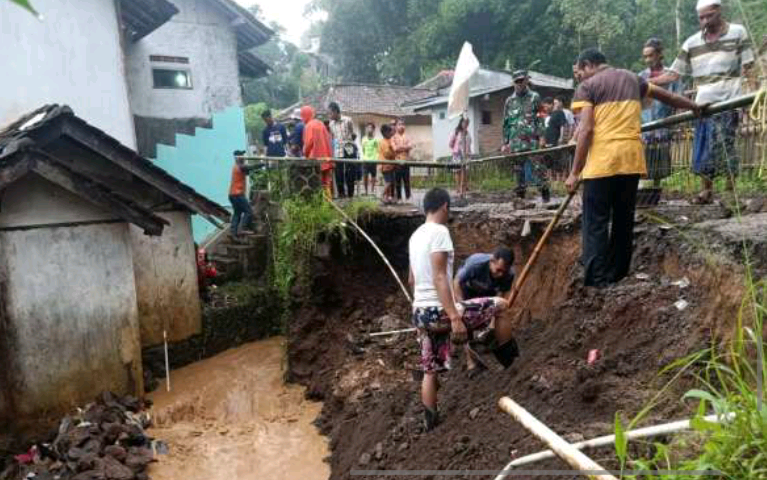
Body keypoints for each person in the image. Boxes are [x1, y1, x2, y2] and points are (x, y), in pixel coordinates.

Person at [565, 49, 702, 287]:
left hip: (602, 162)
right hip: (630, 160)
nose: (580, 77)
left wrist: (575, 172)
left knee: (596, 220)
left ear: (587, 65)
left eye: (580, 72)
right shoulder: (632, 78)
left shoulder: (587, 87)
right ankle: (617, 274)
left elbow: (585, 130)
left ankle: (597, 279)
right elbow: (665, 96)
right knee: (623, 219)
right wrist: (695, 106)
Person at [409, 188, 517, 430]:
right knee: (501, 305)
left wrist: (419, 316)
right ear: (445, 206)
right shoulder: (440, 232)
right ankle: (512, 366)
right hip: (439, 310)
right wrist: (455, 317)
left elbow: (412, 280)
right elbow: (440, 277)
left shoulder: (415, 236)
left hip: (421, 311)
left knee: (430, 369)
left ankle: (430, 421)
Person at [651, 0, 754, 203]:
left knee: (726, 146)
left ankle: (731, 193)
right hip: (702, 104)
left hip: (729, 101)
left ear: (719, 11)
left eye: (709, 16)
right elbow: (673, 74)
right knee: (703, 147)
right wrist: (644, 82)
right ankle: (706, 191)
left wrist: (749, 97)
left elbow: (748, 67)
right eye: (701, 17)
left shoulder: (738, 32)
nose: (705, 21)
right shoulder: (691, 42)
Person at [639, 38, 682, 185]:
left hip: (664, 123)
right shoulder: (641, 77)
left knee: (660, 162)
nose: (648, 60)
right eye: (645, 56)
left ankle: (656, 189)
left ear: (659, 54)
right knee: (643, 161)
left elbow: (678, 97)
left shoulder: (671, 75)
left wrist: (677, 120)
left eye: (650, 55)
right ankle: (643, 190)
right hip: (644, 125)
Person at [502, 70, 550, 203]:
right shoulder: (509, 101)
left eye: (521, 81)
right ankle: (520, 200)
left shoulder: (535, 97)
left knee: (539, 169)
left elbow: (541, 117)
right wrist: (505, 143)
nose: (519, 84)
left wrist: (542, 137)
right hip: (515, 142)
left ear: (526, 80)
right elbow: (505, 123)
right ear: (513, 83)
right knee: (518, 171)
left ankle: (546, 197)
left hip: (532, 141)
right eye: (516, 81)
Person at [301, 106, 334, 199]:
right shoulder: (321, 124)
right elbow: (328, 140)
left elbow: (308, 143)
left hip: (314, 160)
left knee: (316, 182)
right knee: (326, 182)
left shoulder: (308, 126)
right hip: (326, 158)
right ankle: (329, 203)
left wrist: (305, 155)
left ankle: (320, 204)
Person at [328, 102, 355, 198]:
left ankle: (350, 194)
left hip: (349, 149)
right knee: (338, 172)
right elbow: (333, 137)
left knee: (350, 172)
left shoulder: (348, 120)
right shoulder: (331, 124)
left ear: (336, 111)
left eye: (330, 113)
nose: (329, 115)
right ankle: (341, 193)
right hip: (338, 150)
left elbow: (353, 134)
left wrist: (350, 144)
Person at [229, 150, 257, 238]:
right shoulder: (239, 166)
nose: (244, 158)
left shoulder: (237, 167)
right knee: (248, 211)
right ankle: (243, 228)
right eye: (242, 156)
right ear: (237, 158)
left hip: (232, 194)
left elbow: (247, 172)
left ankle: (233, 233)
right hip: (237, 194)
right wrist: (263, 164)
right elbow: (251, 167)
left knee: (237, 213)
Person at [391, 118, 414, 203]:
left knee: (407, 180)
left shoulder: (408, 136)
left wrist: (400, 147)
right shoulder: (393, 137)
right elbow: (394, 149)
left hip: (406, 161)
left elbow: (410, 146)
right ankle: (399, 198)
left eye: (403, 124)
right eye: (400, 124)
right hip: (397, 162)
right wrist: (404, 147)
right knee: (398, 181)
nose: (401, 126)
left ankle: (408, 197)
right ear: (396, 126)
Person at [449, 116, 472, 197]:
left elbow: (469, 144)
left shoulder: (468, 133)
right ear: (461, 123)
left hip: (466, 155)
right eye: (465, 123)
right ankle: (458, 188)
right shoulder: (456, 132)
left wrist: (468, 153)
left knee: (464, 171)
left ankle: (463, 188)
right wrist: (456, 149)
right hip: (457, 154)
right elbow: (450, 143)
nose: (466, 125)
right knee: (457, 171)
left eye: (467, 123)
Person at [379, 123, 397, 204]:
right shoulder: (384, 142)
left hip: (390, 165)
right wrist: (392, 150)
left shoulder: (388, 141)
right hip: (385, 165)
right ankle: (382, 195)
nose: (391, 134)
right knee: (388, 182)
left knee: (391, 181)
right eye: (390, 132)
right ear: (386, 133)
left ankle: (388, 198)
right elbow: (387, 154)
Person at [361, 122, 379, 196]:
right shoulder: (364, 139)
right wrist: (365, 157)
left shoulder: (376, 140)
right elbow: (363, 149)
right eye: (368, 128)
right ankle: (365, 191)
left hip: (373, 160)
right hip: (365, 160)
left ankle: (372, 191)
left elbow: (377, 150)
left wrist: (375, 158)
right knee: (365, 176)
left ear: (373, 129)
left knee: (373, 176)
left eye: (371, 128)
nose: (369, 129)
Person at [341, 133, 360, 198]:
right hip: (350, 165)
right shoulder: (352, 145)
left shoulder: (351, 145)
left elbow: (350, 154)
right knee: (350, 181)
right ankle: (350, 195)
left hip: (351, 165)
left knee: (350, 181)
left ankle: (350, 195)